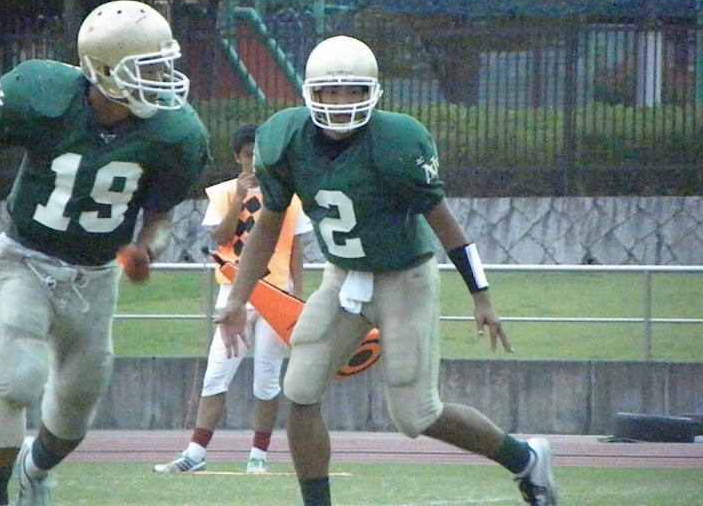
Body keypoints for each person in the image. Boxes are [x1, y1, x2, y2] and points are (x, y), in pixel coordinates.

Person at [214, 35, 558, 506]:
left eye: (352, 91)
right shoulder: (284, 139)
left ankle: (526, 460)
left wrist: (481, 295)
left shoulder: (396, 141)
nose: (341, 103)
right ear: (310, 92)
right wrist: (238, 298)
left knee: (416, 415)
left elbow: (446, 225)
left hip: (403, 279)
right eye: (330, 91)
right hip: (341, 278)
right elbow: (268, 227)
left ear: (372, 92)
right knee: (300, 391)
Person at [0, 0, 210, 506]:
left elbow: (160, 217)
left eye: (162, 65)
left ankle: (35, 468)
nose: (161, 79)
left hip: (96, 277)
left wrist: (145, 249)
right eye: (147, 68)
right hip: (25, 258)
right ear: (104, 71)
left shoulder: (175, 133)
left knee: (74, 412)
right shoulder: (45, 97)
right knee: (17, 382)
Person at [154, 123, 312, 475]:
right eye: (247, 155)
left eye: (259, 155)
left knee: (267, 378)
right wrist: (239, 198)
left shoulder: (290, 195)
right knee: (216, 372)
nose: (254, 162)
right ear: (238, 158)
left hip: (277, 293)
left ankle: (258, 456)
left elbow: (296, 249)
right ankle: (195, 453)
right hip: (235, 293)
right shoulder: (224, 193)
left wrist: (297, 299)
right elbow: (221, 237)